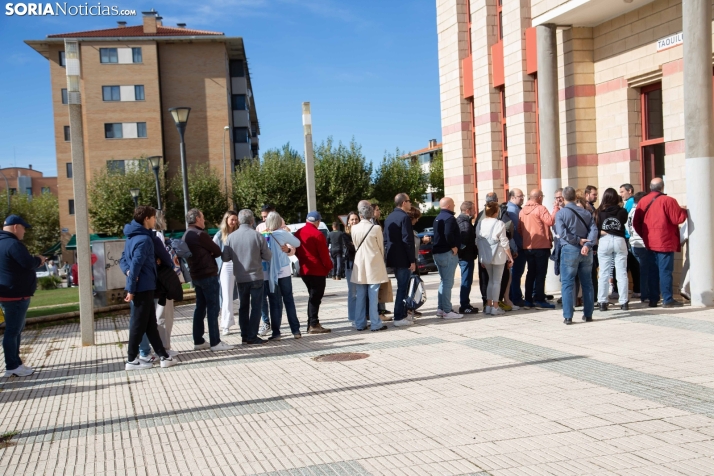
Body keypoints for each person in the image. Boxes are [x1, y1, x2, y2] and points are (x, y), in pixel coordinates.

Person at [122, 206, 177, 370]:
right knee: (138, 324)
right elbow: (136, 265)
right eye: (153, 217)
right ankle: (131, 360)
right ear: (147, 218)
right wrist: (131, 290)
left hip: (143, 286)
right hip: (142, 287)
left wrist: (129, 274)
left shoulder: (132, 237)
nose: (155, 220)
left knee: (149, 324)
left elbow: (125, 261)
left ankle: (164, 356)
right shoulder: (144, 240)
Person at [183, 209, 234, 351]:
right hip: (207, 275)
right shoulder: (200, 234)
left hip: (196, 276)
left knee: (200, 308)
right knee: (213, 308)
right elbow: (217, 250)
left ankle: (198, 340)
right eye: (203, 217)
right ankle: (215, 342)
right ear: (197, 219)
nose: (204, 220)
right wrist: (210, 252)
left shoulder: (187, 234)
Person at [0, 215, 44, 377]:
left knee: (15, 330)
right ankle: (12, 365)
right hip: (16, 295)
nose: (24, 232)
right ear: (16, 227)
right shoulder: (13, 244)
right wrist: (38, 259)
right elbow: (27, 263)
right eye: (24, 228)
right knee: (13, 330)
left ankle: (16, 363)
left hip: (7, 294)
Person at [633, 177, 687, 308]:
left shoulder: (643, 201)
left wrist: (645, 236)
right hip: (665, 241)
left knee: (653, 271)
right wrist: (684, 211)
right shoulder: (669, 201)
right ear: (662, 187)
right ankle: (667, 299)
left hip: (650, 242)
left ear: (650, 187)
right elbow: (677, 219)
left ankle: (653, 299)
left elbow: (636, 223)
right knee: (665, 271)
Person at [223, 209, 273, 343]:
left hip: (240, 277)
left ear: (239, 221)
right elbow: (268, 256)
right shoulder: (257, 236)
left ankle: (244, 335)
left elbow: (225, 258)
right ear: (252, 221)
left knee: (243, 307)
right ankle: (252, 335)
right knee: (256, 307)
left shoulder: (231, 237)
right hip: (256, 276)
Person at [555, 187, 599, 324]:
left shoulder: (561, 214)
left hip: (569, 249)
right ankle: (588, 314)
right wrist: (587, 245)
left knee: (567, 283)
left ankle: (568, 316)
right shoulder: (586, 212)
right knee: (587, 283)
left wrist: (577, 240)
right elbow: (594, 230)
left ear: (563, 197)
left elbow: (561, 233)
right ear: (575, 197)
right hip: (585, 251)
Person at [262, 211, 302, 340]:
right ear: (279, 221)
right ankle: (295, 331)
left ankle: (276, 333)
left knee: (274, 303)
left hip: (269, 273)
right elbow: (297, 243)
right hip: (283, 271)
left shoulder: (263, 235)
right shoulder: (283, 234)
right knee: (289, 300)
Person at [351, 201, 389, 331]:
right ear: (371, 215)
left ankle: (360, 323)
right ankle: (375, 323)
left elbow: (356, 245)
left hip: (359, 263)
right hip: (374, 263)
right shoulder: (376, 228)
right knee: (373, 295)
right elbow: (381, 248)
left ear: (360, 215)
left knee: (360, 295)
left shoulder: (354, 228)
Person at [518, 189, 558, 309]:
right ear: (539, 197)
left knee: (530, 273)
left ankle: (528, 300)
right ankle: (540, 300)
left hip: (528, 247)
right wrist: (556, 209)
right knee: (540, 274)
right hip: (541, 246)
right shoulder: (541, 208)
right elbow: (550, 221)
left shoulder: (522, 211)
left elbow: (520, 230)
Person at [294, 211, 333, 334]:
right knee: (315, 298)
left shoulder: (297, 233)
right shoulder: (318, 234)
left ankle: (311, 323)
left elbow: (295, 251)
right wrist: (329, 267)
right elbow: (324, 255)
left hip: (305, 269)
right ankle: (313, 324)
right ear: (318, 222)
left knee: (312, 297)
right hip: (317, 270)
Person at [476, 193, 515, 311]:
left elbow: (477, 241)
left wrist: (481, 256)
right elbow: (504, 242)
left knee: (490, 281)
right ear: (495, 211)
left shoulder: (480, 223)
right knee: (496, 281)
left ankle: (488, 305)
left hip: (485, 256)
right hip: (498, 256)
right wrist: (510, 257)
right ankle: (496, 307)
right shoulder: (499, 223)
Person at [383, 193, 417, 326]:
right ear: (403, 203)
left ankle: (402, 314)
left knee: (402, 287)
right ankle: (399, 317)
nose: (410, 204)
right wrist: (412, 260)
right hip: (403, 259)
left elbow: (386, 240)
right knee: (403, 288)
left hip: (393, 257)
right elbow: (407, 240)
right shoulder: (404, 217)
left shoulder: (389, 217)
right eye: (409, 201)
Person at [595, 188, 630, 311]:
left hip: (605, 240)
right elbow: (624, 221)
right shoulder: (622, 211)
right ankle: (624, 302)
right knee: (621, 272)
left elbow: (597, 227)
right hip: (620, 240)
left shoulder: (599, 212)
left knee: (603, 273)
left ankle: (602, 302)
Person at [432, 197, 464, 319]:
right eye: (454, 203)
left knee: (443, 280)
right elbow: (448, 233)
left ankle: (441, 308)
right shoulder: (449, 218)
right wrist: (454, 246)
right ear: (449, 206)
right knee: (447, 282)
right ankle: (447, 310)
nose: (455, 205)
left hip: (437, 253)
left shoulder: (437, 218)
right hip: (447, 253)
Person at [213, 211, 238, 335]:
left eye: (236, 220)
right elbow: (213, 251)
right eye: (232, 219)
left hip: (240, 266)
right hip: (226, 266)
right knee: (226, 296)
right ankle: (225, 324)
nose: (234, 222)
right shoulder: (219, 235)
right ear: (226, 219)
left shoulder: (238, 233)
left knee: (242, 296)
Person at [618, 183, 640, 299]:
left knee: (632, 265)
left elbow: (624, 218)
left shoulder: (631, 203)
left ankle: (637, 289)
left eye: (622, 192)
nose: (621, 194)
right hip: (628, 238)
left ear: (629, 191)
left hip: (629, 238)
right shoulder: (628, 203)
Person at [626, 192, 649, 302]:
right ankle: (645, 294)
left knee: (641, 270)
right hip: (641, 243)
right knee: (645, 270)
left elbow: (627, 226)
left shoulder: (630, 212)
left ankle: (644, 292)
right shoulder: (640, 212)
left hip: (633, 243)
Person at [456, 201, 478, 314]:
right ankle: (464, 305)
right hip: (466, 257)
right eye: (474, 209)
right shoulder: (465, 223)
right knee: (466, 281)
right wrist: (462, 252)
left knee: (467, 281)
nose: (475, 212)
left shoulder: (461, 221)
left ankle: (466, 303)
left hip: (466, 256)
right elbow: (463, 242)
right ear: (468, 210)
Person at [506, 188, 526, 306]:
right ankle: (516, 298)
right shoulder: (513, 210)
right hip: (517, 248)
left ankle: (515, 297)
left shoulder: (516, 209)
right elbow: (516, 231)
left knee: (516, 274)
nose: (522, 198)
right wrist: (519, 247)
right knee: (515, 275)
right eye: (520, 196)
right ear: (512, 197)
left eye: (522, 195)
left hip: (517, 247)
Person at [343, 212, 359, 326]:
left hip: (361, 265)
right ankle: (353, 317)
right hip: (350, 265)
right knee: (353, 292)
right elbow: (351, 249)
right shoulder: (345, 235)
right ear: (348, 221)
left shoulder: (361, 232)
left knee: (361, 293)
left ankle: (361, 316)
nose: (354, 221)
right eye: (352, 219)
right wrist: (354, 245)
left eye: (356, 219)